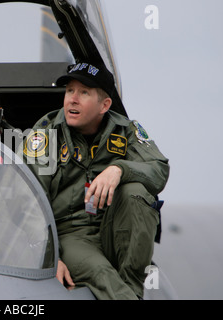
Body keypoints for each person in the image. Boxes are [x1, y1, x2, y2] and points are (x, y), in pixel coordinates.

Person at [23, 61, 170, 299]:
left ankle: (132, 286)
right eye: (70, 90)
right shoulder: (46, 134)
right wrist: (49, 256)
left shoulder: (126, 131)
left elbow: (159, 170)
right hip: (71, 235)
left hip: (112, 229)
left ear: (105, 105)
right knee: (103, 274)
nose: (72, 99)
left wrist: (119, 169)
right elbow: (27, 200)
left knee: (136, 191)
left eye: (84, 93)